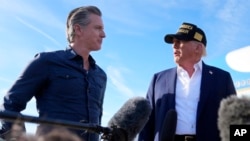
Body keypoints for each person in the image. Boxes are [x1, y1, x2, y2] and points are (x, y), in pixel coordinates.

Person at [0, 5, 107, 141]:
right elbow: (10, 104)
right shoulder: (46, 62)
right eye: (98, 28)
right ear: (78, 29)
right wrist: (18, 138)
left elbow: (97, 119)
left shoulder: (100, 75)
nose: (103, 34)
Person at [138, 22, 236, 141]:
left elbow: (235, 119)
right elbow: (146, 123)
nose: (174, 46)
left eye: (179, 41)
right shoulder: (158, 79)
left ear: (198, 48)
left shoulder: (222, 78)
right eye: (173, 42)